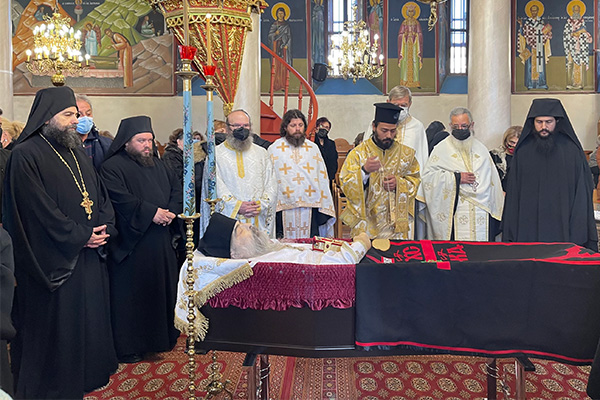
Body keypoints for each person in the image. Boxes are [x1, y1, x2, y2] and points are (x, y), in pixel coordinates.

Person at [2, 86, 117, 398]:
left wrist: (104, 227)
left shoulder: (75, 150)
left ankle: (87, 376)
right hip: (54, 261)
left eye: (76, 114)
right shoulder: (25, 155)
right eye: (68, 114)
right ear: (46, 117)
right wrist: (80, 236)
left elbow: (99, 195)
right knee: (59, 327)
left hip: (88, 255)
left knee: (88, 320)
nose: (75, 120)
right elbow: (36, 211)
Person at [100, 116, 182, 363]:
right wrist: (151, 213)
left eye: (150, 139)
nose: (147, 145)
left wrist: (171, 212)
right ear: (126, 142)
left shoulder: (160, 165)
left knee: (160, 290)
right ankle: (130, 347)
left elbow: (176, 189)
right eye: (141, 140)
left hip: (161, 241)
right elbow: (119, 199)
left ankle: (161, 339)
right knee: (132, 297)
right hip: (132, 244)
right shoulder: (111, 167)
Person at [502, 98, 597, 251]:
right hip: (529, 222)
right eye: (539, 122)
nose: (543, 127)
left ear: (557, 121)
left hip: (563, 220)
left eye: (548, 122)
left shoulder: (571, 150)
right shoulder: (523, 151)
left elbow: (582, 190)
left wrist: (578, 225)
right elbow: (514, 191)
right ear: (532, 122)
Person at [421, 107, 504, 241]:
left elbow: (492, 181)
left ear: (472, 125)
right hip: (454, 207)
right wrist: (457, 178)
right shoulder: (441, 149)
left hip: (481, 208)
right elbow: (428, 179)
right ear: (450, 126)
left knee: (481, 249)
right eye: (456, 126)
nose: (460, 129)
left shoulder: (481, 149)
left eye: (464, 126)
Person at [340, 103, 420, 239]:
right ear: (374, 127)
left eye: (393, 131)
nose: (388, 135)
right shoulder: (358, 153)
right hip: (366, 225)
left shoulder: (407, 154)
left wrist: (399, 183)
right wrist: (364, 171)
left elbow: (415, 181)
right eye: (384, 130)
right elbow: (345, 184)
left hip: (395, 227)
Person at [201, 109, 277, 237]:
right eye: (236, 125)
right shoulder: (216, 155)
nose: (242, 129)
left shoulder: (262, 153)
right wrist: (237, 206)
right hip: (230, 221)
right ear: (227, 128)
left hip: (257, 217)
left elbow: (272, 185)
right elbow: (214, 186)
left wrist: (260, 205)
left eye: (246, 125)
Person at [268, 109, 336, 238]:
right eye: (293, 125)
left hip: (310, 204)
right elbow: (269, 178)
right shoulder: (275, 149)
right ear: (285, 127)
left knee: (310, 242)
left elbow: (322, 176)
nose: (297, 129)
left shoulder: (313, 148)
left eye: (300, 125)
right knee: (283, 243)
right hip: (283, 205)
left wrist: (324, 200)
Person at [198, 213, 371, 263]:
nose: (248, 225)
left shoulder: (264, 250)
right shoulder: (269, 261)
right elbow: (340, 263)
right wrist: (361, 243)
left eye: (241, 223)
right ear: (234, 254)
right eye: (239, 230)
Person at [517, 2, 552, 89]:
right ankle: (530, 84)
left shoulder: (541, 22)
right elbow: (524, 33)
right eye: (532, 11)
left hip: (540, 46)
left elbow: (545, 33)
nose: (534, 13)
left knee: (540, 64)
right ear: (530, 12)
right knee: (530, 65)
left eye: (535, 11)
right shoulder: (528, 22)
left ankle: (541, 83)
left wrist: (548, 32)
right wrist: (521, 25)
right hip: (530, 47)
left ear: (538, 11)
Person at [76, 94, 113, 170]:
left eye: (88, 114)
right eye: (79, 115)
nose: (85, 118)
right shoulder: (64, 144)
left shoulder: (106, 144)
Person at [563, 2, 592, 89]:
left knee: (580, 63)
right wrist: (572, 34)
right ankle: (569, 83)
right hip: (571, 46)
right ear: (572, 11)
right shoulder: (569, 22)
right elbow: (566, 33)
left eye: (578, 10)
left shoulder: (582, 22)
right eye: (575, 10)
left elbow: (585, 32)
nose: (576, 12)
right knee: (570, 63)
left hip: (580, 46)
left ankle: (580, 84)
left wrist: (581, 34)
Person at [398, 2, 423, 88]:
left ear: (414, 13)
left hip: (414, 44)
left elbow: (420, 33)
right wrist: (403, 35)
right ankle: (404, 82)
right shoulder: (404, 23)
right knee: (405, 62)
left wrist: (416, 35)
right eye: (409, 11)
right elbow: (400, 34)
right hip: (406, 44)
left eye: (412, 11)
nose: (411, 13)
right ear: (407, 12)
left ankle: (415, 82)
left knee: (415, 61)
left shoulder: (416, 23)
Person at [490, 126, 522, 191]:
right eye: (512, 142)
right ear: (506, 141)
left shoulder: (526, 159)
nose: (514, 146)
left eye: (518, 143)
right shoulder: (495, 156)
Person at [268, 6, 292, 91]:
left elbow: (289, 37)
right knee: (276, 67)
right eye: (279, 13)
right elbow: (270, 36)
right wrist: (275, 33)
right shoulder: (274, 25)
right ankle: (275, 86)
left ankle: (283, 85)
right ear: (276, 14)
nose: (280, 15)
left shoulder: (286, 26)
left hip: (283, 48)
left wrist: (287, 45)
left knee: (283, 67)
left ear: (284, 14)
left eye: (282, 13)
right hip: (276, 47)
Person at [313, 117, 339, 186]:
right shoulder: (312, 143)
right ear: (317, 127)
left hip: (327, 176)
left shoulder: (331, 144)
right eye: (322, 126)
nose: (324, 129)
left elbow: (334, 161)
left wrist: (331, 176)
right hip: (314, 176)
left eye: (326, 127)